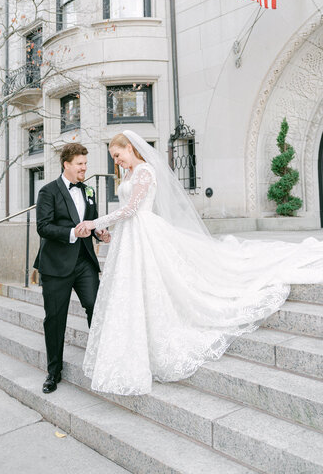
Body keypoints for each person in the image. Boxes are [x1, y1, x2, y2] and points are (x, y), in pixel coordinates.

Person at [76, 130, 323, 396]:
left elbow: (132, 209)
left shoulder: (145, 170)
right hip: (131, 237)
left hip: (145, 231)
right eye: (114, 157)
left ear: (130, 148)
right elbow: (126, 214)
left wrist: (95, 222)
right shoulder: (128, 174)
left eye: (118, 155)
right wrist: (108, 232)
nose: (117, 161)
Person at [35, 142, 110, 394]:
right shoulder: (47, 191)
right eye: (80, 164)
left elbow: (92, 221)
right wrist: (71, 232)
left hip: (84, 263)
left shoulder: (88, 190)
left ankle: (102, 359)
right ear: (66, 164)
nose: (84, 168)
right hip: (56, 266)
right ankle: (53, 371)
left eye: (85, 164)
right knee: (55, 319)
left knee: (96, 309)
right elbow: (43, 227)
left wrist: (100, 233)